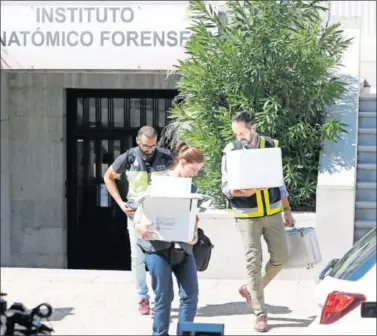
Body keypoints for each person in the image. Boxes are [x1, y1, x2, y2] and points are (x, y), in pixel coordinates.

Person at [221, 111, 295, 332]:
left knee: (281, 258)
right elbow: (225, 186)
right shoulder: (231, 150)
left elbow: (279, 182)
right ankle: (260, 314)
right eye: (236, 133)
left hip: (272, 212)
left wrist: (287, 209)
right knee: (253, 264)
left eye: (242, 132)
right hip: (246, 216)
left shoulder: (271, 144)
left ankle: (250, 290)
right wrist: (242, 192)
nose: (239, 137)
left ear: (253, 127)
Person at [134, 142, 204, 336]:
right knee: (163, 296)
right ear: (182, 162)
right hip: (157, 247)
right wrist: (139, 226)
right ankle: (160, 333)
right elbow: (140, 211)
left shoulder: (192, 187)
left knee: (190, 295)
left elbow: (194, 217)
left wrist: (194, 235)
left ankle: (185, 333)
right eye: (194, 169)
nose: (195, 174)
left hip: (183, 248)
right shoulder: (158, 182)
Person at [104, 126, 174, 315]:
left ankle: (160, 297)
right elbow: (108, 177)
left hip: (160, 213)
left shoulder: (166, 157)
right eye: (145, 146)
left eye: (153, 146)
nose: (149, 149)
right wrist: (120, 203)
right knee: (138, 257)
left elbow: (178, 178)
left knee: (161, 256)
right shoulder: (128, 157)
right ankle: (142, 298)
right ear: (138, 141)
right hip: (135, 214)